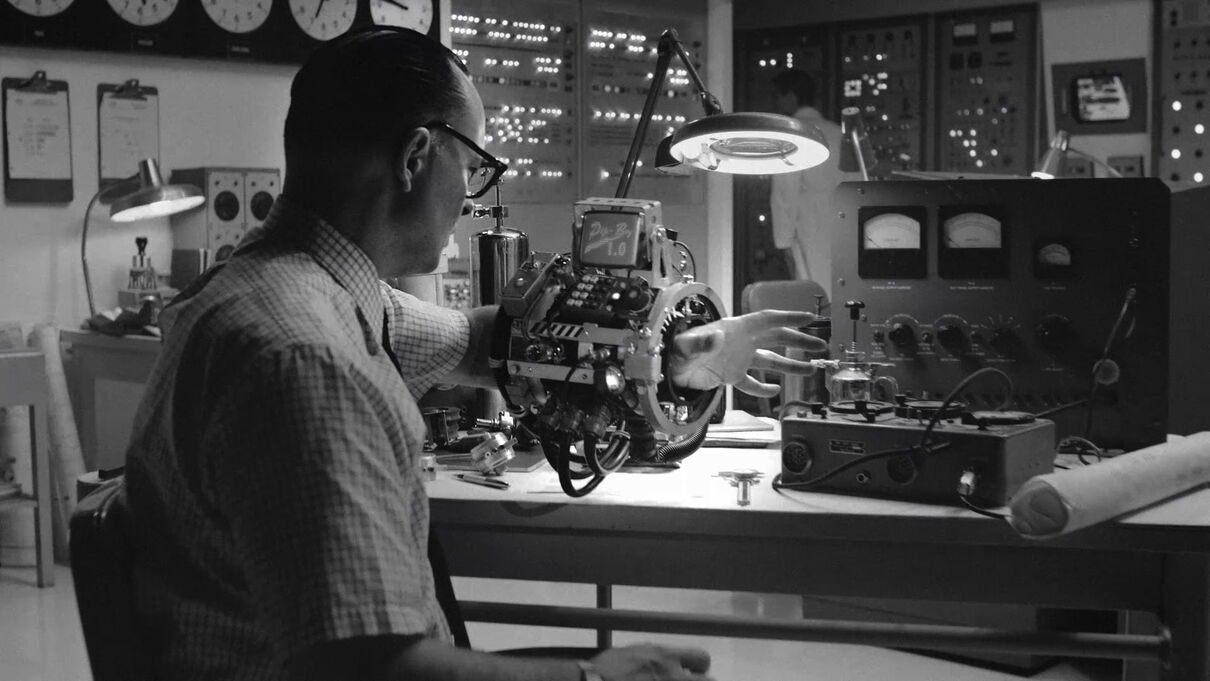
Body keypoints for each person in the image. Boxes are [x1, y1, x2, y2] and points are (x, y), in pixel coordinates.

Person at [124, 27, 824, 681]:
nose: (470, 195)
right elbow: (366, 667)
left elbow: (489, 342)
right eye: (474, 166)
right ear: (415, 157)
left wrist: (674, 355)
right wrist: (589, 677)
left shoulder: (276, 289)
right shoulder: (307, 359)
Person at [768, 68, 854, 300]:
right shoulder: (840, 133)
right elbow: (858, 185)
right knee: (844, 296)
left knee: (813, 299)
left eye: (778, 95)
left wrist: (783, 242)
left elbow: (785, 195)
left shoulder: (791, 134)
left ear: (792, 96)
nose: (776, 102)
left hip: (807, 228)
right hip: (845, 229)